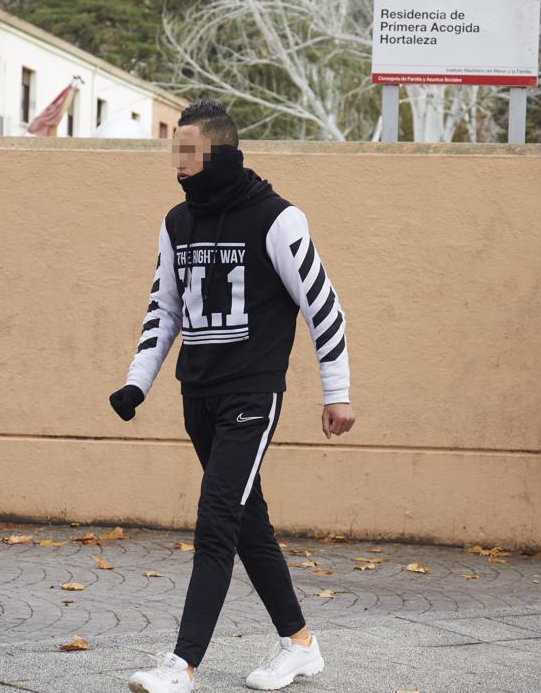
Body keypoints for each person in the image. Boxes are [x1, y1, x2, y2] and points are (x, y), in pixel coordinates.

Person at [111, 99, 356, 693]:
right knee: (248, 524)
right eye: (175, 149)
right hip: (198, 396)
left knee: (217, 520)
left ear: (220, 153)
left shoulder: (277, 219)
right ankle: (299, 645)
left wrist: (337, 392)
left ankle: (181, 666)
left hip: (253, 393)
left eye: (190, 151)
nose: (179, 161)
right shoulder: (177, 222)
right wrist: (136, 381)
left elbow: (322, 306)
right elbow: (163, 308)